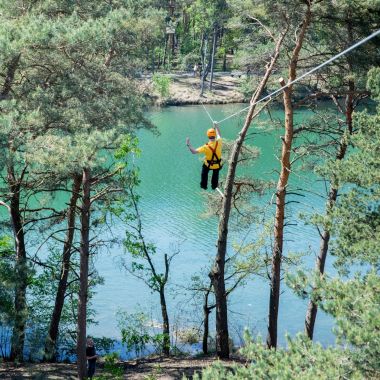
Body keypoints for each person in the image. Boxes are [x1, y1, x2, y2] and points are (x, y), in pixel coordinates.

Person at [186, 123, 222, 190]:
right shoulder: (219, 142)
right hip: (217, 165)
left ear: (208, 136)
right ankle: (214, 186)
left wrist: (188, 144)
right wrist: (216, 126)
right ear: (214, 135)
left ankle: (204, 185)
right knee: (215, 174)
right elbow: (219, 135)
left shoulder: (205, 147)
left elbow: (193, 152)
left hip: (208, 165)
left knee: (204, 174)